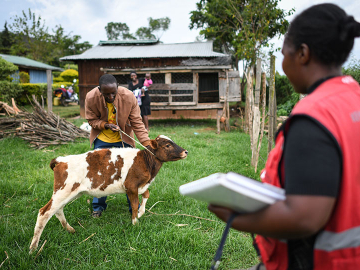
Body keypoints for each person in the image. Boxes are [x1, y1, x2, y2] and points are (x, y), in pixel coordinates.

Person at [208, 4, 360, 270]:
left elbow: (304, 218)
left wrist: (235, 217)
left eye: (283, 53)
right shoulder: (353, 97)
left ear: (302, 53)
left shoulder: (313, 118)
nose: (282, 62)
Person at [85, 74, 150, 218]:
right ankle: (98, 207)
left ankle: (134, 206)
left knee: (131, 173)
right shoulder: (91, 97)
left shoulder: (129, 97)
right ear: (99, 90)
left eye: (113, 93)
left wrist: (147, 145)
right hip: (102, 138)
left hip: (124, 138)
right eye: (106, 94)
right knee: (101, 173)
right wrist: (104, 125)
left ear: (118, 87)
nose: (110, 97)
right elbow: (91, 120)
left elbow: (137, 123)